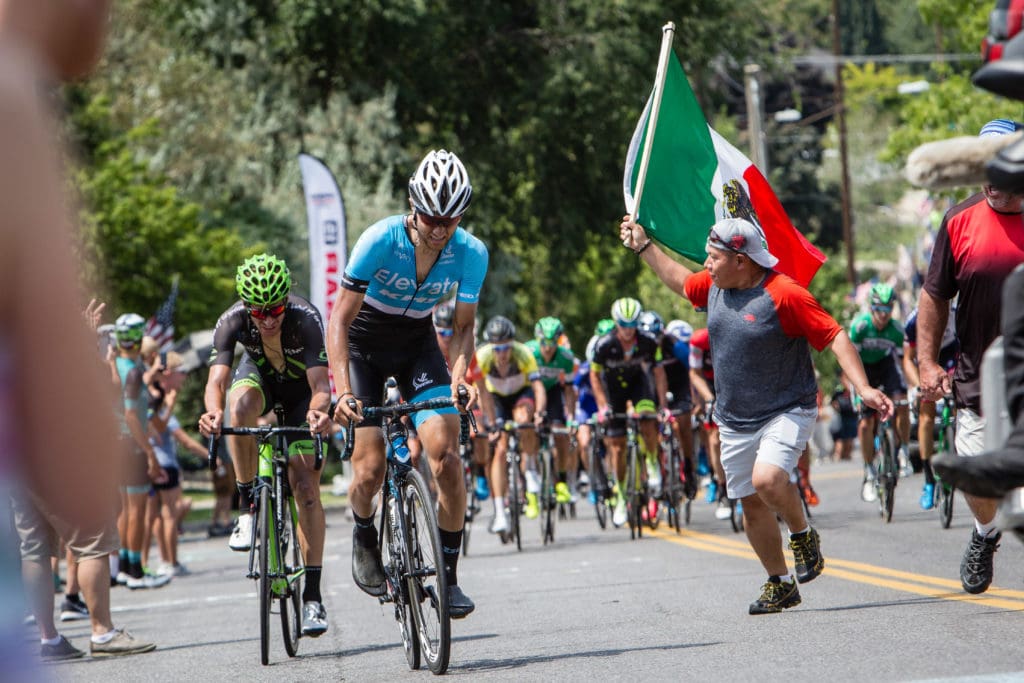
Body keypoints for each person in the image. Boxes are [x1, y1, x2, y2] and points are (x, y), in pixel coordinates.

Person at [621, 215, 891, 614]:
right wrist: (644, 246)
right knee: (750, 503)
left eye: (713, 257)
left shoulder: (784, 294)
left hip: (786, 407)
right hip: (734, 416)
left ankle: (801, 534)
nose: (707, 265)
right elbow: (679, 280)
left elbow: (833, 334)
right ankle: (780, 582)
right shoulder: (713, 286)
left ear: (742, 260)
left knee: (767, 478)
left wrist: (864, 387)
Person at [327, 149, 488, 618]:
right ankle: (362, 531)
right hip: (363, 345)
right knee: (369, 470)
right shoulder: (379, 240)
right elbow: (339, 321)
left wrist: (459, 377)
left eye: (450, 219)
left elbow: (462, 328)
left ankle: (450, 576)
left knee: (447, 456)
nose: (440, 229)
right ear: (413, 205)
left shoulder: (471, 252)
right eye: (431, 217)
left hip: (417, 343)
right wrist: (342, 392)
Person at [198, 253, 333, 636]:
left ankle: (312, 596)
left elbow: (321, 387)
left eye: (276, 309)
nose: (269, 319)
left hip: (299, 394)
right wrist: (211, 413)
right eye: (260, 312)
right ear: (247, 307)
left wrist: (320, 412)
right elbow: (216, 383)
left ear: (286, 299)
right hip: (258, 379)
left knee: (306, 487)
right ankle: (248, 506)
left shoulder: (306, 319)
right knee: (237, 407)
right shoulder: (232, 320)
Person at [915, 119, 1024, 595]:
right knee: (976, 474)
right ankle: (986, 532)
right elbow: (934, 296)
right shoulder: (959, 219)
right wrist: (927, 362)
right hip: (978, 374)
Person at [589, 297, 668, 528]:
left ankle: (652, 462)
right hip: (613, 391)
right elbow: (594, 375)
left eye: (633, 325)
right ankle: (622, 497)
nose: (628, 330)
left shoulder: (649, 342)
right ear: (616, 324)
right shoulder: (604, 345)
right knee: (617, 446)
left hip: (638, 385)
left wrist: (662, 406)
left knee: (647, 418)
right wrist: (603, 406)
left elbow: (659, 373)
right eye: (624, 325)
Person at [112, 313, 170, 590]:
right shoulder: (133, 372)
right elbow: (132, 415)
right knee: (137, 511)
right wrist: (149, 451)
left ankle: (125, 566)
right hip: (131, 443)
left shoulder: (121, 366)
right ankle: (135, 569)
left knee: (125, 509)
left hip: (116, 443)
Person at [475, 316, 546, 530]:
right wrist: (491, 422)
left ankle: (531, 469)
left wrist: (540, 412)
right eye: (497, 348)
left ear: (512, 344)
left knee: (524, 420)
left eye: (506, 348)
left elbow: (538, 387)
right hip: (495, 398)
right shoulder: (483, 356)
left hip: (520, 394)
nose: (502, 353)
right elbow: (481, 392)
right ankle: (499, 513)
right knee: (499, 449)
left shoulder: (523, 354)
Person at [849, 283, 911, 502]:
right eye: (879, 309)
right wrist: (858, 392)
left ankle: (902, 449)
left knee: (902, 403)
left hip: (885, 367)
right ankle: (868, 470)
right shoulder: (860, 327)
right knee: (865, 423)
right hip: (862, 369)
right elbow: (849, 362)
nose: (884, 315)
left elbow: (905, 363)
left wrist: (913, 387)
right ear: (871, 308)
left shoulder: (896, 329)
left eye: (888, 309)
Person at [902, 305, 958, 509]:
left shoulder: (955, 313)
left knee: (961, 401)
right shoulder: (913, 320)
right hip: (928, 359)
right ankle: (928, 480)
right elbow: (907, 359)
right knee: (926, 416)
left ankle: (960, 448)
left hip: (952, 356)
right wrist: (917, 385)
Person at [526, 317, 579, 505]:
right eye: (544, 343)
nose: (547, 348)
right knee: (528, 429)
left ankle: (562, 481)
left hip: (554, 392)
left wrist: (571, 417)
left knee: (561, 434)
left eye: (552, 343)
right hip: (530, 392)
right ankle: (531, 471)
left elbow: (570, 390)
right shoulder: (528, 351)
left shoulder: (566, 357)